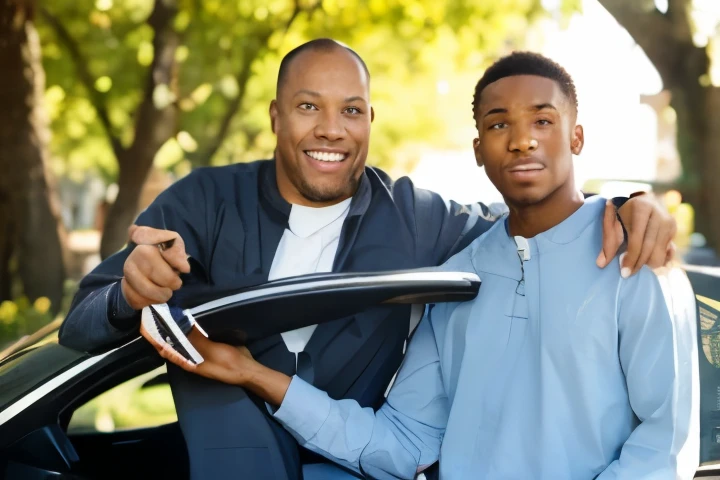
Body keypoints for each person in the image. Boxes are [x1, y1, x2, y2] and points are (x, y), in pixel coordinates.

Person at [59, 40, 679, 479]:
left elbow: (536, 228)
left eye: (350, 110)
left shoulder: (422, 222)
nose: (331, 129)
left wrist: (630, 204)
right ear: (276, 117)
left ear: (370, 120)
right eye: (308, 107)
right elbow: (79, 321)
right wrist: (129, 294)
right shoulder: (206, 201)